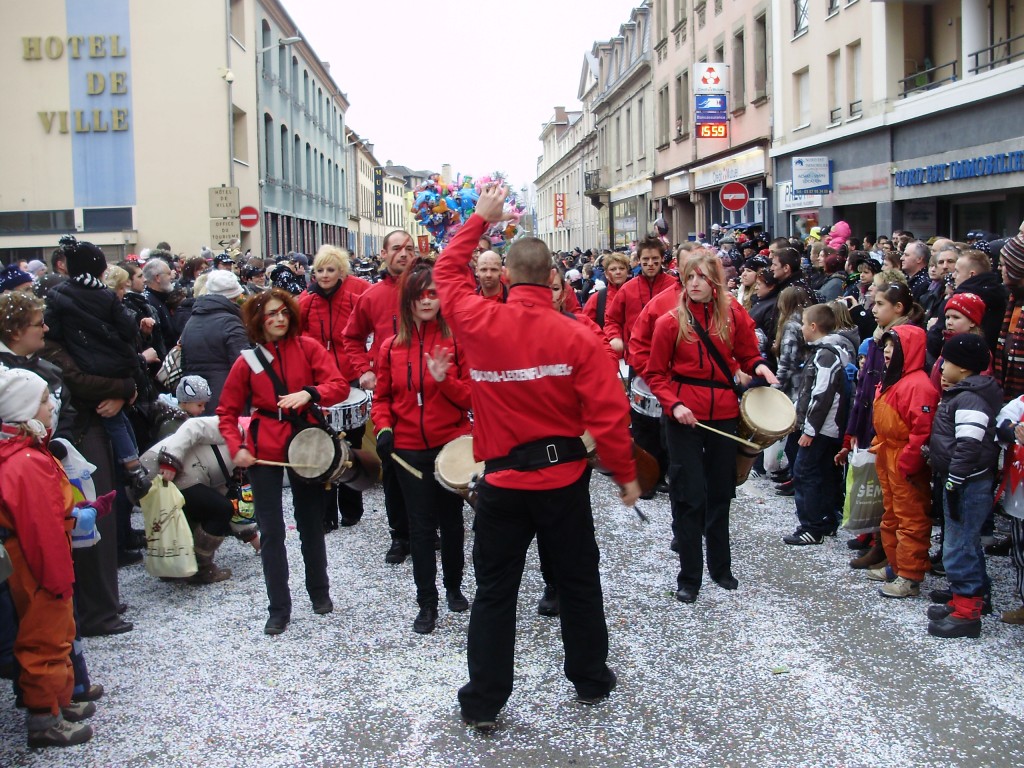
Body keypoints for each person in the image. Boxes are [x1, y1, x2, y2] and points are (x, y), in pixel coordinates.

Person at [435, 185, 640, 732]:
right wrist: (623, 473)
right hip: (563, 484)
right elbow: (607, 414)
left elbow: (446, 275)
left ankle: (482, 702)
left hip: (501, 486)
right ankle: (591, 679)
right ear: (553, 278)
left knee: (495, 595)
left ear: (508, 276)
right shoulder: (577, 337)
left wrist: (478, 219)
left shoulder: (477, 323)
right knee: (577, 583)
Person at [645, 250, 778, 603]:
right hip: (684, 417)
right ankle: (689, 576)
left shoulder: (733, 314)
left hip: (723, 413)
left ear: (715, 281)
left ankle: (721, 567)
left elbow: (749, 354)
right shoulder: (669, 322)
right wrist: (673, 404)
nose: (695, 284)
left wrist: (760, 368)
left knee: (721, 493)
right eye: (689, 277)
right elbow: (655, 373)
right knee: (690, 496)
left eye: (702, 277)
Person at [216, 289, 350, 635]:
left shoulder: (308, 347)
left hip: (305, 447)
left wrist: (311, 393)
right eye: (270, 314)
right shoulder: (247, 361)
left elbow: (337, 384)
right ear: (259, 321)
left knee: (310, 525)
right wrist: (236, 448)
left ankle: (320, 593)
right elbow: (226, 413)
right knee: (272, 533)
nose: (278, 319)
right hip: (264, 452)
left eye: (283, 313)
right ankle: (278, 608)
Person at [371, 263, 472, 635]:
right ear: (407, 300)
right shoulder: (390, 346)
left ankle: (454, 587)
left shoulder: (456, 341)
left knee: (452, 522)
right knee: (421, 529)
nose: (427, 300)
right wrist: (383, 428)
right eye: (420, 294)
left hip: (450, 448)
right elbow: (382, 397)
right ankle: (426, 602)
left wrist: (445, 381)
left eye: (433, 293)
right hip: (409, 452)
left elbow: (470, 397)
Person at [0, 367, 96, 747]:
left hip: (35, 558)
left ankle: (60, 699)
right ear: (22, 410)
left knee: (59, 632)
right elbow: (40, 529)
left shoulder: (26, 452)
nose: (51, 406)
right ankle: (44, 719)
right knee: (44, 638)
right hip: (37, 563)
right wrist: (57, 577)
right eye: (42, 400)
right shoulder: (26, 462)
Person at [44, 237, 152, 502]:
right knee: (117, 417)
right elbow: (127, 328)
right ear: (102, 271)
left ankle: (132, 465)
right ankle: (134, 463)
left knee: (112, 416)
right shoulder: (105, 295)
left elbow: (54, 330)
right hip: (116, 364)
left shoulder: (58, 295)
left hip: (86, 364)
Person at [141, 376, 259, 584]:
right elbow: (192, 427)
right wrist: (170, 461)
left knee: (199, 511)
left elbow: (222, 492)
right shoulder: (233, 427)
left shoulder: (239, 455)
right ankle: (201, 569)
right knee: (218, 509)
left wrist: (250, 536)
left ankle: (175, 567)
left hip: (176, 474)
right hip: (161, 468)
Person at [343, 231, 414, 562]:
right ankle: (400, 535)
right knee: (393, 464)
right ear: (384, 253)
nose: (403, 253)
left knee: (430, 463)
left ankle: (434, 527)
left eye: (409, 248)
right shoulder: (371, 297)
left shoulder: (430, 292)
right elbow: (352, 338)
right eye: (397, 248)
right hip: (390, 394)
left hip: (429, 391)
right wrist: (363, 370)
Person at [925, 334, 1002, 638]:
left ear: (965, 368)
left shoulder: (970, 398)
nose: (942, 367)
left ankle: (967, 613)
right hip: (961, 479)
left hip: (967, 483)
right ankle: (971, 597)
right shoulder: (964, 392)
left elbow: (969, 445)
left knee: (958, 546)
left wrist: (955, 476)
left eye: (948, 362)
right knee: (964, 540)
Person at [297, 245, 370, 530]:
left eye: (330, 269)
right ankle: (325, 513)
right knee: (322, 442)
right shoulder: (306, 301)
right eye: (320, 270)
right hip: (319, 380)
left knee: (352, 441)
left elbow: (372, 327)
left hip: (350, 377)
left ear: (341, 271)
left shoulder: (356, 294)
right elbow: (294, 334)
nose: (325, 275)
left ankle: (351, 507)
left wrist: (368, 364)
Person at [865, 325, 939, 598]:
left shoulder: (917, 384)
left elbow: (922, 430)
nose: (886, 351)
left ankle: (909, 575)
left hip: (903, 457)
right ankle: (896, 566)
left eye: (894, 346)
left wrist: (909, 461)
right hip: (889, 453)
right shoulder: (895, 379)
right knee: (892, 513)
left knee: (911, 517)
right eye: (886, 346)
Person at [784, 304, 854, 544]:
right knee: (823, 473)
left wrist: (809, 430)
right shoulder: (825, 352)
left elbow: (821, 395)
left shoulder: (825, 355)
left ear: (813, 327)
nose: (802, 328)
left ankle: (811, 526)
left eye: (804, 324)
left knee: (805, 472)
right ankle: (825, 521)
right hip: (825, 428)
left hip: (822, 429)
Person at [178, 270, 249, 415]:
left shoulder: (192, 320)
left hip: (196, 400)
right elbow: (243, 364)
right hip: (228, 398)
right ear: (234, 296)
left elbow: (184, 363)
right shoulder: (231, 321)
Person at [604, 238, 676, 363]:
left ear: (662, 258)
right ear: (638, 260)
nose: (650, 263)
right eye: (646, 259)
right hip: (636, 358)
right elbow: (611, 319)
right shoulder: (627, 289)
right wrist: (614, 337)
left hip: (671, 358)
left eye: (655, 258)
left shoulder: (675, 286)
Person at [582, 251, 630, 328]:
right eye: (613, 269)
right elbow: (586, 326)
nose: (618, 272)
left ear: (627, 272)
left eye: (621, 268)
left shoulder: (636, 295)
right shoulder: (597, 298)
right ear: (606, 274)